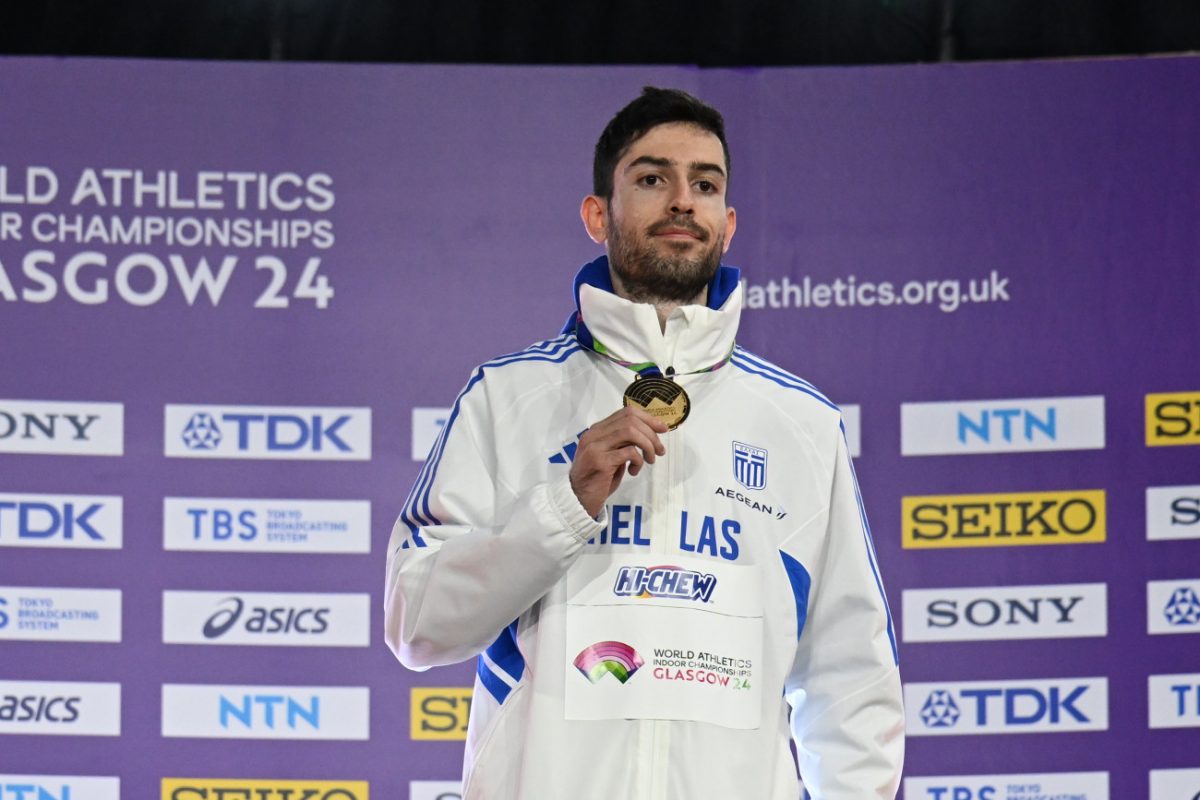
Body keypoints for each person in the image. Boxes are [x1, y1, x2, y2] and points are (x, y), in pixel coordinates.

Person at [385, 86, 904, 799]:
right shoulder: (506, 397)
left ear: (729, 224)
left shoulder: (801, 422)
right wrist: (563, 506)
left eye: (706, 185)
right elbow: (416, 622)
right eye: (653, 178)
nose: (683, 200)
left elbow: (853, 678)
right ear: (598, 215)